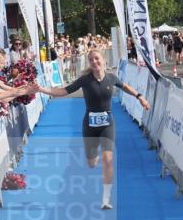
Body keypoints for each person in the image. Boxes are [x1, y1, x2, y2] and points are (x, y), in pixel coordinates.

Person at [38, 50, 150, 210]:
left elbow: (125, 87)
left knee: (108, 159)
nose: (94, 62)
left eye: (97, 58)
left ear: (103, 60)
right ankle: (93, 156)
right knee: (92, 163)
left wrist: (140, 97)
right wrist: (43, 90)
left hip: (107, 124)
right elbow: (64, 91)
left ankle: (105, 198)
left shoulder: (111, 78)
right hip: (89, 125)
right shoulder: (85, 80)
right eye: (91, 60)